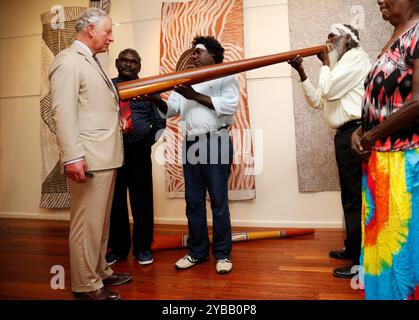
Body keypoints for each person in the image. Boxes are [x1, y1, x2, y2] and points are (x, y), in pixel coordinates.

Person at [49, 8, 132, 300]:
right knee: (87, 223)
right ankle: (86, 285)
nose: (111, 37)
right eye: (108, 31)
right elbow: (63, 111)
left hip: (105, 155)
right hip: (89, 156)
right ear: (90, 29)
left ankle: (101, 271)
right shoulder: (68, 61)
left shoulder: (92, 61)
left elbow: (93, 107)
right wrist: (72, 156)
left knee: (101, 222)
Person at [147, 36, 239, 274]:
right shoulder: (184, 79)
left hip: (216, 141)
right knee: (194, 202)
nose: (194, 56)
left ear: (214, 55)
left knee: (218, 201)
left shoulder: (226, 74)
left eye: (199, 52)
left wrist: (193, 95)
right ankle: (197, 252)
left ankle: (222, 255)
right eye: (194, 52)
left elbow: (229, 106)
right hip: (190, 145)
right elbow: (171, 111)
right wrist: (155, 98)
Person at [288, 24, 372, 278]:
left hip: (356, 133)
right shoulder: (339, 67)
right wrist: (302, 71)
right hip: (343, 136)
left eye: (332, 36)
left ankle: (360, 261)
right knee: (349, 196)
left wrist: (324, 64)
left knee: (356, 199)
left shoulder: (357, 58)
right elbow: (317, 100)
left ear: (348, 38)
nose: (328, 40)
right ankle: (352, 249)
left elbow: (327, 89)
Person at [351, 0, 419, 300]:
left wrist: (372, 134)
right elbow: (383, 101)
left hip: (403, 163)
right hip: (380, 163)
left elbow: (418, 102)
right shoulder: (397, 34)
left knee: (401, 253)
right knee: (380, 250)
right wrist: (361, 130)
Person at [105, 49, 166, 266]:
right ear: (117, 62)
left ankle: (142, 248)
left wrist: (147, 141)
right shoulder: (107, 86)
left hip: (139, 151)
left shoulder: (149, 87)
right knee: (116, 203)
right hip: (112, 151)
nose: (128, 65)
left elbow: (161, 121)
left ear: (139, 66)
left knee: (142, 201)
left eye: (133, 62)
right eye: (124, 61)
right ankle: (118, 248)